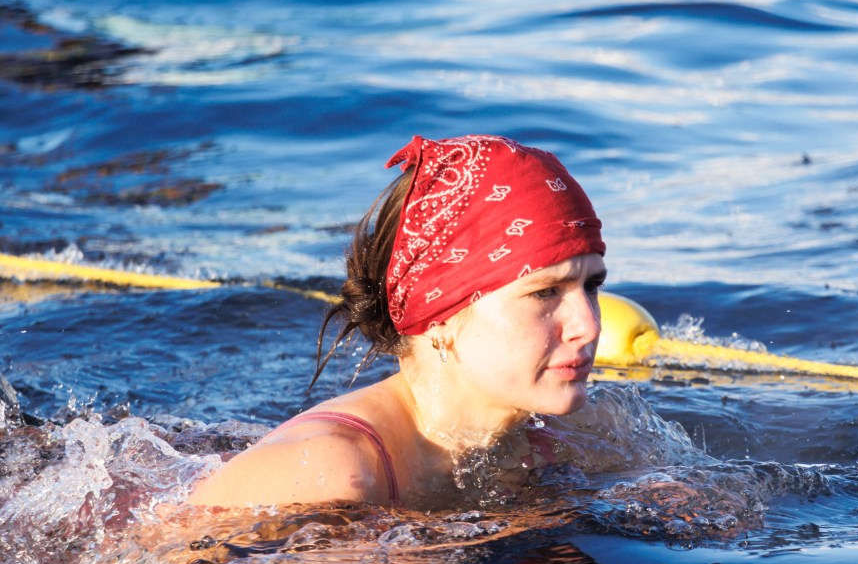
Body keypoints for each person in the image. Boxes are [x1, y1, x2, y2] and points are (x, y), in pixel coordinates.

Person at [188, 134, 606, 509]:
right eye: (543, 292)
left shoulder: (579, 432)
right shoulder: (328, 471)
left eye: (591, 286)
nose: (587, 326)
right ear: (441, 314)